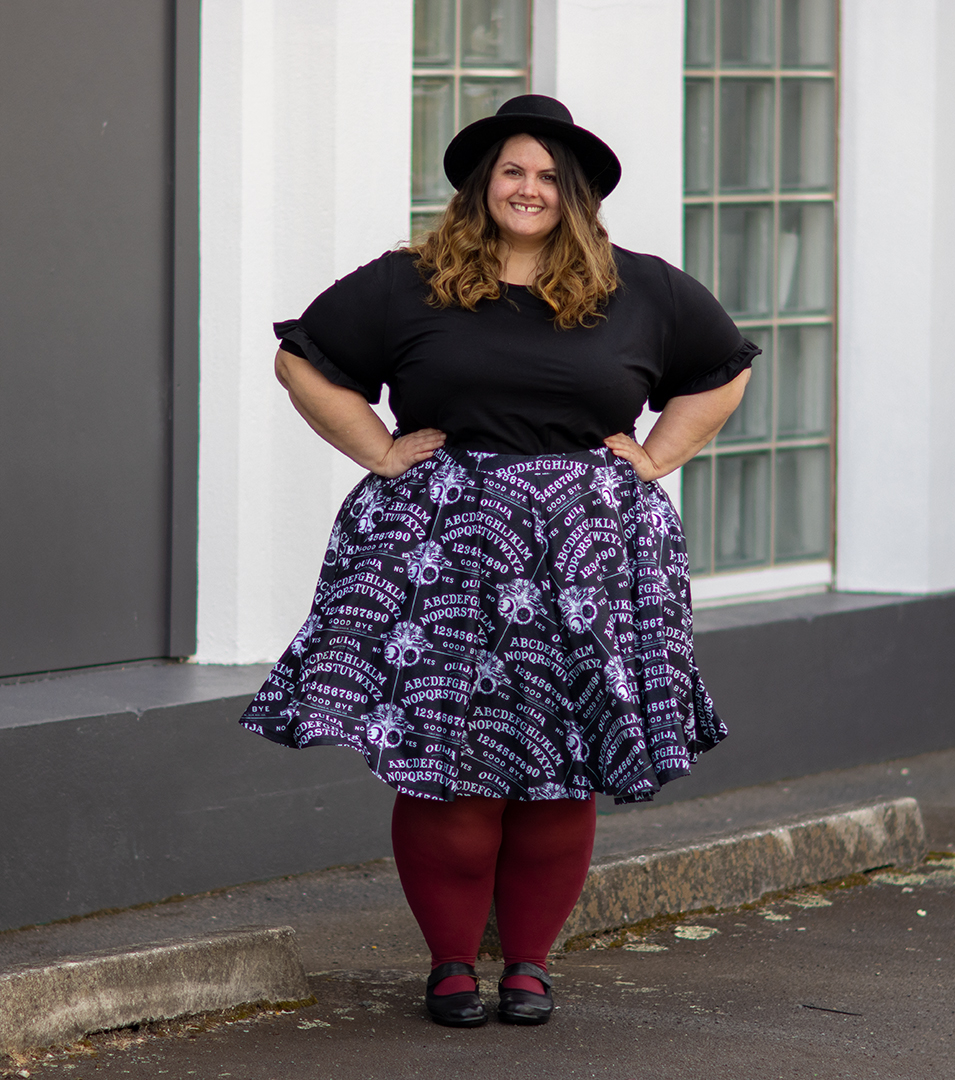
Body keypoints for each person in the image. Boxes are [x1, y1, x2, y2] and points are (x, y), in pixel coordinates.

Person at [240, 95, 756, 1028]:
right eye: (515, 171)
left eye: (552, 177)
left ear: (580, 195)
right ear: (484, 184)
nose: (531, 189)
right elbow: (302, 362)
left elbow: (725, 369)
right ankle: (448, 965)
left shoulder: (640, 289)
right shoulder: (410, 283)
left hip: (590, 562)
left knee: (561, 765)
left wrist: (656, 457)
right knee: (448, 762)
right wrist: (380, 450)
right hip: (440, 557)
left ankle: (527, 965)